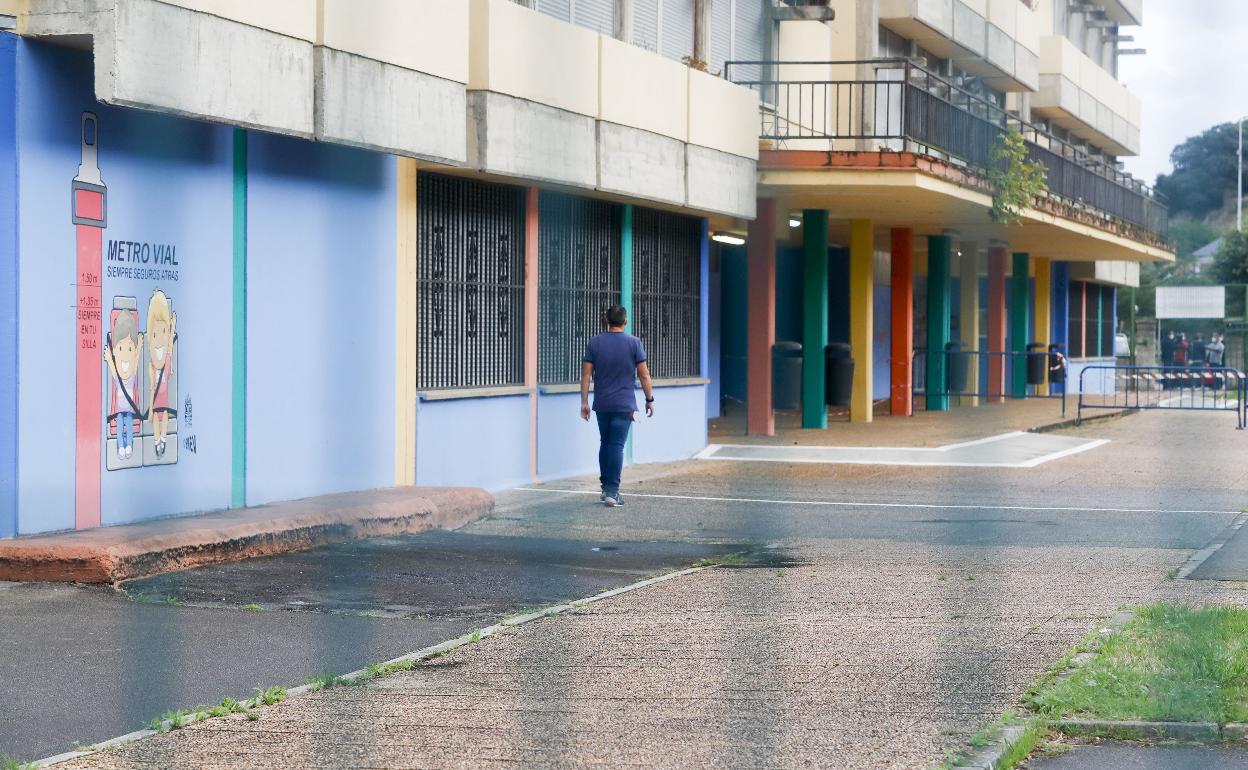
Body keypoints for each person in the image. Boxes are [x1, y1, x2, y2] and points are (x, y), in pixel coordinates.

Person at [580, 305, 654, 507]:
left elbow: (586, 375)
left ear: (607, 320)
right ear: (625, 321)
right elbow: (644, 374)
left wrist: (584, 402)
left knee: (605, 443)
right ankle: (613, 492)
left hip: (602, 404)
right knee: (616, 446)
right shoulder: (634, 343)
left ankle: (606, 488)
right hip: (624, 404)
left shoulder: (594, 342)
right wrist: (650, 399)